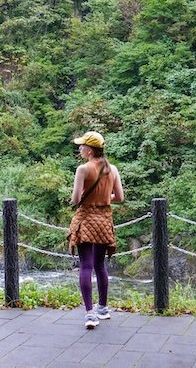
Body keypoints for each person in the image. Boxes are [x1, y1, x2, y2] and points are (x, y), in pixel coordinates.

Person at [66, 131, 124, 329]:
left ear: (89, 150)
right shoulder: (112, 169)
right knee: (100, 265)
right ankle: (103, 308)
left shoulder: (83, 169)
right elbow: (119, 197)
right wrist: (104, 198)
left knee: (85, 266)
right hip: (104, 219)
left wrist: (85, 197)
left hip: (86, 219)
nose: (80, 148)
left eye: (82, 146)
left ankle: (90, 314)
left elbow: (75, 200)